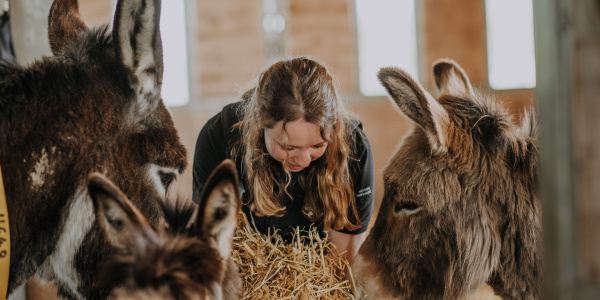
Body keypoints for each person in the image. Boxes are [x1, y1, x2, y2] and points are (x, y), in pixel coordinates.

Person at [192, 57, 374, 263]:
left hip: (318, 260)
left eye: (317, 146)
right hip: (250, 258)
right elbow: (209, 235)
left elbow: (344, 257)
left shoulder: (353, 147)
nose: (304, 160)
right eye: (289, 147)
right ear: (260, 124)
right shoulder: (219, 135)